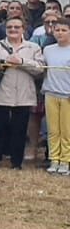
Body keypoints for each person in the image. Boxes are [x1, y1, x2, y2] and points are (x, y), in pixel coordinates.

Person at [0, 17, 46, 169]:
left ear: (23, 29)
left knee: (20, 129)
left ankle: (16, 161)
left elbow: (39, 69)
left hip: (23, 95)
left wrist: (21, 62)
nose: (13, 30)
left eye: (17, 27)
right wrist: (2, 62)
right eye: (10, 27)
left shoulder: (33, 47)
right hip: (0, 94)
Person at [43, 18, 70, 175]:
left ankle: (65, 161)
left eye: (64, 30)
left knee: (66, 130)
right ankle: (54, 159)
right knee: (53, 130)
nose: (60, 33)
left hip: (67, 95)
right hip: (51, 93)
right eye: (57, 30)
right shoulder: (48, 50)